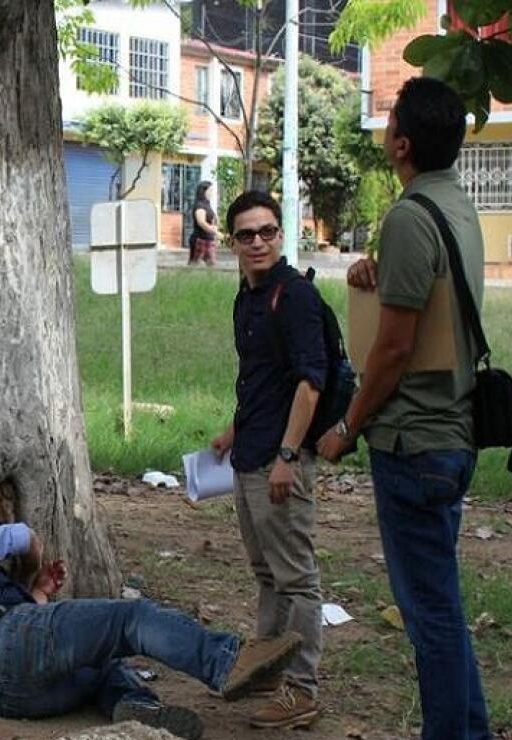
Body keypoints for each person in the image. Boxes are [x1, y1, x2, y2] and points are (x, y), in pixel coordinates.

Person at [316, 76, 490, 740]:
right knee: (440, 606)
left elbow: (392, 350)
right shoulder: (455, 207)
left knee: (431, 617)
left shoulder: (410, 218)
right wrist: (374, 272)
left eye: (389, 121)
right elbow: (427, 297)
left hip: (413, 444)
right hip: (451, 435)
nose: (385, 129)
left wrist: (347, 426)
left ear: (402, 144)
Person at [0, 521, 303, 740]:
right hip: (9, 636)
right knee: (128, 619)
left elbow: (13, 655)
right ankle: (228, 662)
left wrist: (38, 592)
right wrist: (29, 568)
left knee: (103, 660)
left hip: (5, 695)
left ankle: (138, 709)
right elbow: (25, 536)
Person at [210, 190, 326, 730]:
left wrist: (287, 455)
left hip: (279, 460)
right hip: (248, 454)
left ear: (281, 235)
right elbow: (261, 375)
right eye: (246, 234)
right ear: (231, 242)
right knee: (265, 572)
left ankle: (301, 689)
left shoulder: (295, 296)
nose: (257, 242)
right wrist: (235, 431)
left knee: (295, 577)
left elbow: (310, 384)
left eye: (267, 232)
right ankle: (267, 668)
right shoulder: (247, 296)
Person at [189, 181, 220, 265]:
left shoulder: (207, 204)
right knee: (196, 268)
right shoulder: (200, 205)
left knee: (211, 268)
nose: (212, 193)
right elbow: (201, 222)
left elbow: (211, 221)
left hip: (208, 240)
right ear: (203, 191)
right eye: (210, 191)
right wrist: (216, 232)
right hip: (200, 240)